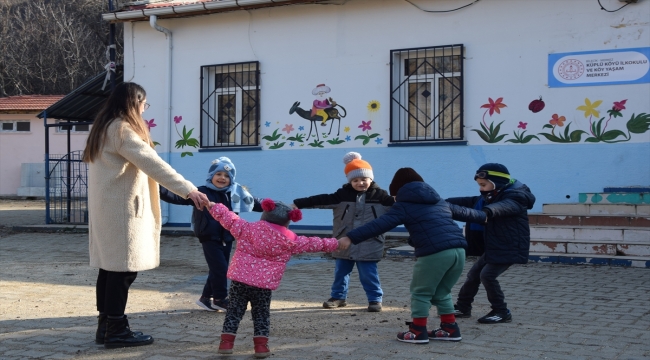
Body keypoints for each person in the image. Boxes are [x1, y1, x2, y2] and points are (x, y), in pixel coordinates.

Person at [83, 82, 209, 349]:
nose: (144, 108)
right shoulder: (122, 128)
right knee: (123, 272)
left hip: (108, 210)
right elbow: (153, 163)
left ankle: (106, 326)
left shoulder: (102, 127)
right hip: (123, 212)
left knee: (109, 270)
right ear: (135, 102)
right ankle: (116, 330)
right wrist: (189, 190)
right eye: (144, 103)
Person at [338, 168, 487, 344]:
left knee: (421, 292)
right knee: (442, 292)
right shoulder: (439, 202)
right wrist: (491, 215)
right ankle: (450, 329)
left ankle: (417, 331)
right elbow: (473, 214)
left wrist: (350, 237)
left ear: (398, 191)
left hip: (435, 254)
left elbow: (379, 225)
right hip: (459, 251)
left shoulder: (404, 206)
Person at [207, 199, 340, 358]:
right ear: (288, 220)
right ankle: (261, 347)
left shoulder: (247, 228)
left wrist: (213, 206)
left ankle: (226, 343)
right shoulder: (290, 240)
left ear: (265, 213)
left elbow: (229, 219)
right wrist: (335, 243)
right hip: (264, 285)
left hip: (240, 281)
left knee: (234, 311)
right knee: (261, 314)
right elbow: (313, 244)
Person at [292, 152, 394, 312]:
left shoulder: (382, 197)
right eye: (355, 180)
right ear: (350, 181)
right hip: (343, 242)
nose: (360, 182)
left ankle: (375, 299)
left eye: (364, 179)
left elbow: (401, 209)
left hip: (370, 242)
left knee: (369, 274)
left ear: (371, 179)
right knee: (341, 272)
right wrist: (299, 203)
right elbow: (321, 199)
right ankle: (338, 297)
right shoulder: (342, 195)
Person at [160, 157, 262, 312]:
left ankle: (205, 298)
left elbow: (257, 203)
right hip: (209, 235)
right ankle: (220, 299)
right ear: (211, 175)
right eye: (218, 174)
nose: (222, 178)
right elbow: (176, 196)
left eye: (227, 176)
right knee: (220, 268)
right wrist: (157, 188)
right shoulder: (201, 192)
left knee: (219, 268)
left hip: (227, 236)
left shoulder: (236, 193)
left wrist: (275, 207)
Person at [446, 163, 535, 324]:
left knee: (487, 275)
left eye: (484, 185)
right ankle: (463, 307)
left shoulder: (516, 197)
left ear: (497, 183)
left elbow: (502, 207)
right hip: (496, 246)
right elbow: (470, 201)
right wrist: (439, 203)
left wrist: (485, 213)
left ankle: (501, 311)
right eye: (479, 185)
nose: (481, 189)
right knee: (474, 274)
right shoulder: (491, 196)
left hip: (509, 246)